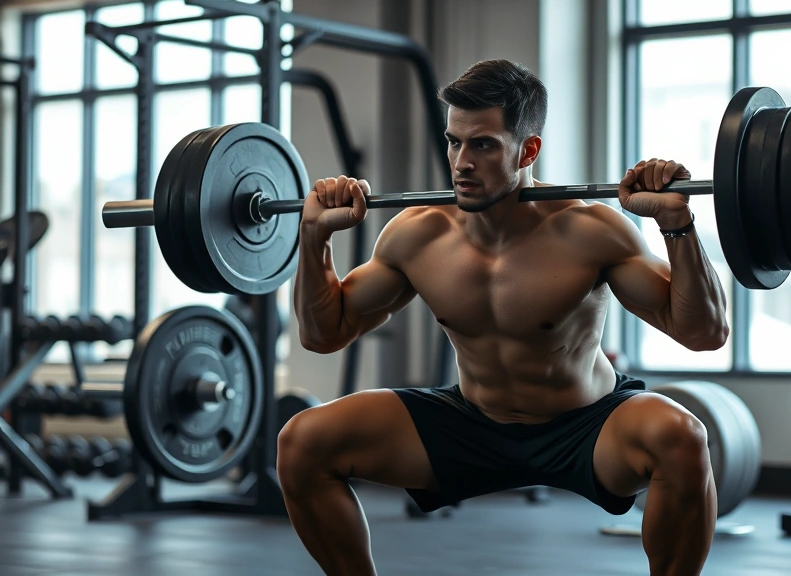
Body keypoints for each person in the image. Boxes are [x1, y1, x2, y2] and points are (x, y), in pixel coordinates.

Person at [278, 59, 729, 576]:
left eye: (483, 145)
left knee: (682, 437)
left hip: (586, 425)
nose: (461, 163)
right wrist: (313, 238)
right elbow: (324, 333)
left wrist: (677, 224)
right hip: (472, 421)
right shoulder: (418, 235)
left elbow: (703, 332)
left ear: (527, 150)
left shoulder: (590, 231)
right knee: (303, 442)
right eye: (454, 143)